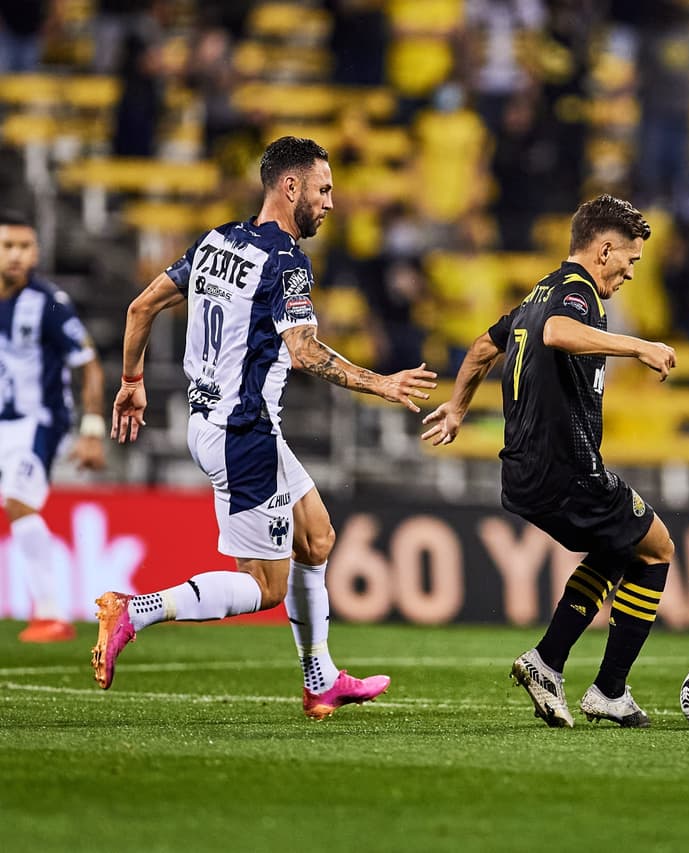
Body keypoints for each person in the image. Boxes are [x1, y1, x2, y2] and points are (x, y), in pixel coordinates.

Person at [92, 136, 438, 719]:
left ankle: (321, 679)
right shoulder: (285, 261)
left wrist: (132, 381)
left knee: (317, 538)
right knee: (266, 587)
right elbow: (302, 352)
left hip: (215, 422)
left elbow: (140, 307)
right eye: (324, 189)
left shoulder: (215, 240)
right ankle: (134, 610)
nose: (331, 203)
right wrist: (379, 382)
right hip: (243, 432)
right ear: (291, 186)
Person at [422, 194, 677, 728]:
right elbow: (557, 333)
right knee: (656, 548)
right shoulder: (575, 293)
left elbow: (481, 347)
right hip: (566, 466)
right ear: (604, 249)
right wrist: (638, 346)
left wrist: (458, 408)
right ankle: (607, 689)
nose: (631, 271)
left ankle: (549, 663)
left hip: (523, 470)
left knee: (618, 546)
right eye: (630, 259)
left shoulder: (538, 292)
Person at [0, 210, 106, 642]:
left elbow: (90, 366)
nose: (17, 256)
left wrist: (92, 429)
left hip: (38, 422)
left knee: (20, 502)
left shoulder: (48, 303)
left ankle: (50, 614)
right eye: (8, 246)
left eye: (25, 247)